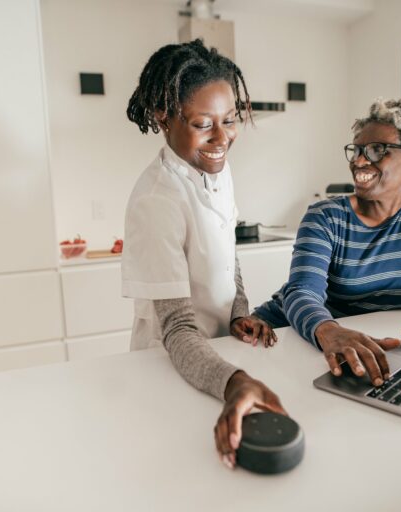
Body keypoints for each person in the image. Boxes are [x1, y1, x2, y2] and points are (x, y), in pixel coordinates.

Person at [121, 39, 286, 469]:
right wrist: (235, 383)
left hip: (216, 356)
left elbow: (228, 253)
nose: (222, 137)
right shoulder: (156, 200)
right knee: (177, 467)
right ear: (163, 116)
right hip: (172, 361)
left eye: (230, 120)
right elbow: (176, 327)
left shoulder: (216, 166)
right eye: (202, 123)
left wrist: (238, 313)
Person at [254, 98, 401, 386]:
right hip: (293, 332)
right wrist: (330, 330)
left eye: (378, 150)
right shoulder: (326, 217)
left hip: (373, 342)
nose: (359, 161)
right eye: (357, 150)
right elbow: (301, 292)